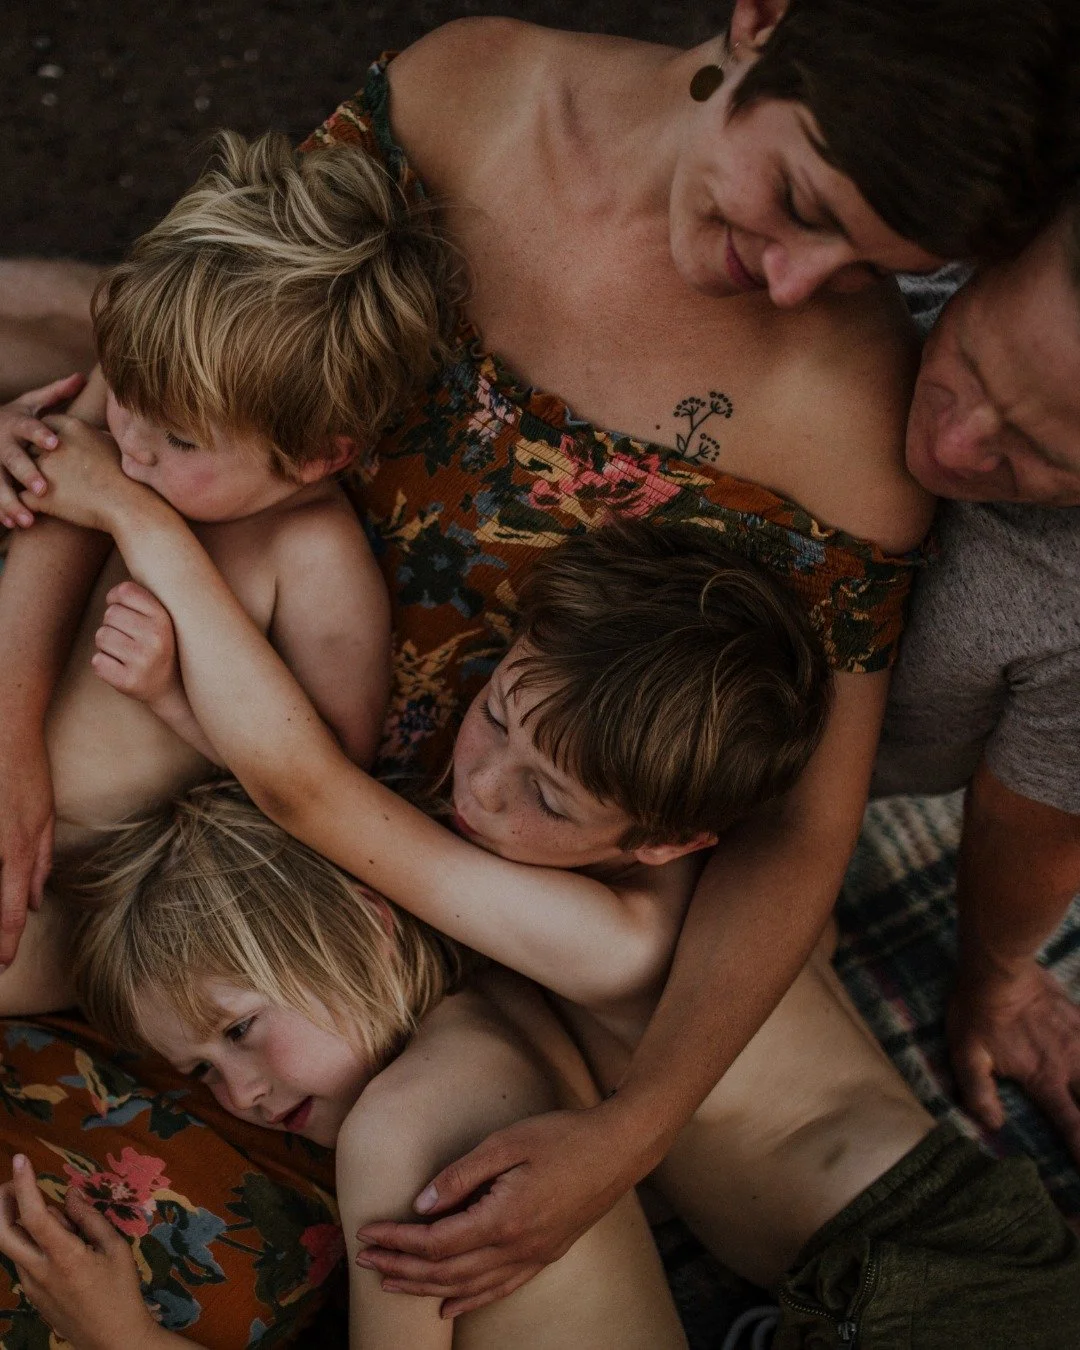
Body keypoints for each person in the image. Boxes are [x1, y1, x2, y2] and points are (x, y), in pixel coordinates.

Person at [0, 0, 1075, 1324]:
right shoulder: (473, 91)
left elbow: (799, 833)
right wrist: (11, 732)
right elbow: (168, 353)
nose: (799, 279)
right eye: (799, 198)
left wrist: (632, 1129)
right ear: (757, 21)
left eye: (875, 265)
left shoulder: (849, 402)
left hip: (477, 858)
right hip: (244, 643)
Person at [0, 123, 467, 982]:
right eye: (125, 399)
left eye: (177, 440)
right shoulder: (143, 420)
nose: (130, 447)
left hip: (65, 880)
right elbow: (57, 482)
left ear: (319, 455)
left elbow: (321, 780)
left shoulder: (313, 557)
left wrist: (178, 700)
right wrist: (13, 445)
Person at [0, 782, 689, 1350]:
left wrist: (118, 1334)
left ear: (365, 925)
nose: (242, 1094)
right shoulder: (507, 999)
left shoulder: (399, 1128)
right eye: (201, 1072)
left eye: (240, 1029)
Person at [871, 196, 1080, 1162]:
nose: (956, 447)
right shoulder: (862, 266)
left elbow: (1029, 821)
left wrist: (997, 975)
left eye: (1039, 454)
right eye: (976, 363)